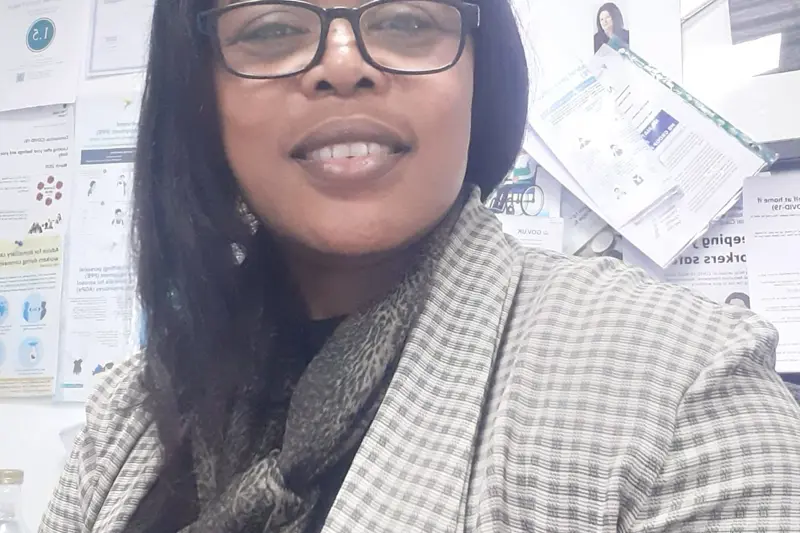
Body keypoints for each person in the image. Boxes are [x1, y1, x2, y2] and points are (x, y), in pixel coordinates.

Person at [42, 1, 800, 532]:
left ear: (480, 74)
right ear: (199, 95)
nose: (343, 65)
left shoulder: (683, 395)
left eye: (406, 20)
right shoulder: (128, 411)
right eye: (271, 29)